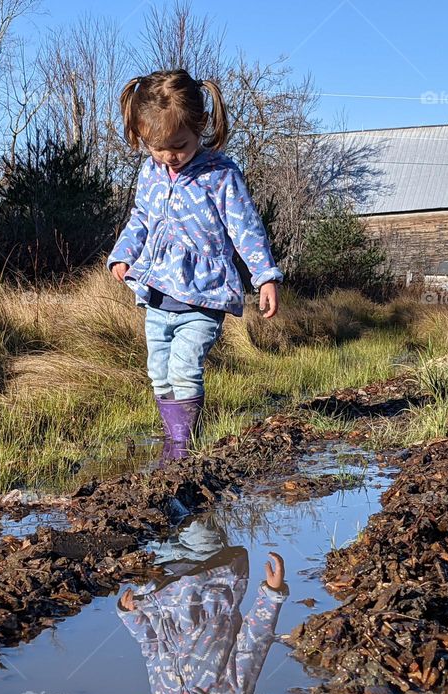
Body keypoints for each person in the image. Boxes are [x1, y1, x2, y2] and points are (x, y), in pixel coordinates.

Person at [107, 69, 283, 465]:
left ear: (201, 127)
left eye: (180, 145)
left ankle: (184, 442)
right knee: (160, 371)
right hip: (156, 293)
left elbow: (246, 229)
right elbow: (141, 217)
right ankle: (174, 440)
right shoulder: (150, 172)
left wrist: (265, 276)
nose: (170, 156)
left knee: (185, 368)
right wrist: (123, 253)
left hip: (204, 295)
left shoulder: (220, 175)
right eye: (158, 147)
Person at [116, 515, 288, 694]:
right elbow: (253, 642)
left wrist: (131, 617)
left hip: (159, 577)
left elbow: (152, 650)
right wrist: (271, 594)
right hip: (208, 571)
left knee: (147, 517)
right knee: (191, 513)